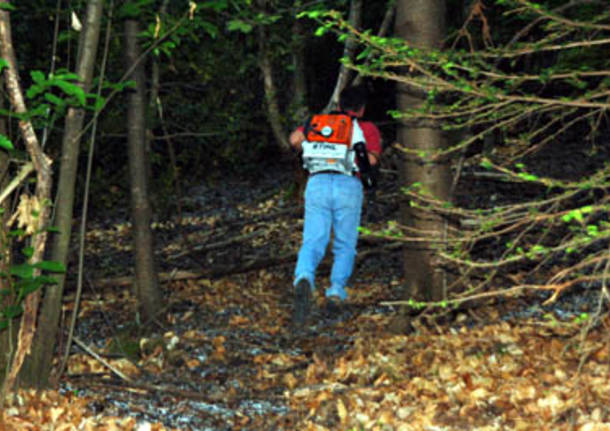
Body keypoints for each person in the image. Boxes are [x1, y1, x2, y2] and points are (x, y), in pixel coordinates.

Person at [289, 85, 382, 325]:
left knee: (313, 238)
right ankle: (336, 291)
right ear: (361, 109)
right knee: (345, 243)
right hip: (348, 186)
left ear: (339, 105)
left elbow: (295, 139)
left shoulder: (319, 122)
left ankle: (304, 276)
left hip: (317, 182)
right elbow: (370, 160)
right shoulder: (366, 128)